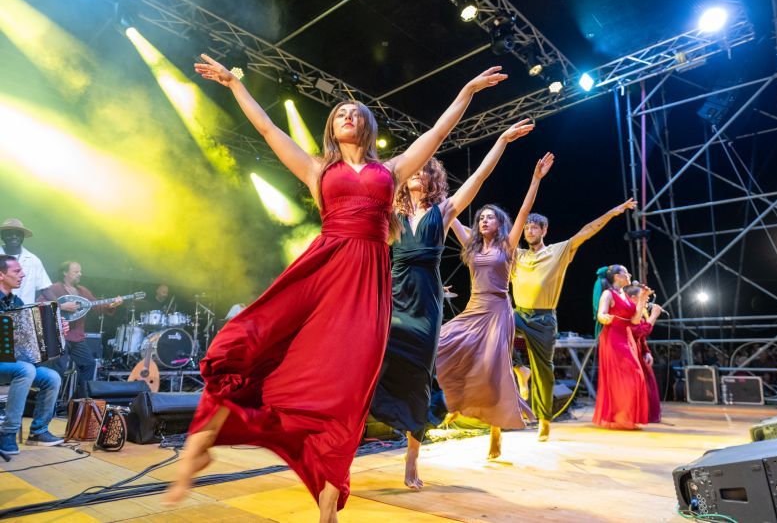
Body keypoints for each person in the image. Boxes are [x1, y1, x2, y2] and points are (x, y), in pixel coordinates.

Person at [166, 52, 506, 522]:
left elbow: (439, 134)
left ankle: (329, 501)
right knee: (248, 335)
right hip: (324, 267)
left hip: (367, 285)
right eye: (339, 113)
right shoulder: (317, 170)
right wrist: (235, 85)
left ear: (366, 126)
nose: (346, 115)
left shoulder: (393, 171)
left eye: (354, 112)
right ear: (332, 129)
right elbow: (269, 130)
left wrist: (466, 92)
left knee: (348, 390)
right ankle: (209, 434)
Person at [370, 119, 535, 490]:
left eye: (425, 170)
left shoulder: (443, 211)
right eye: (414, 169)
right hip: (394, 295)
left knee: (419, 376)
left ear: (433, 179)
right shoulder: (390, 215)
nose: (418, 174)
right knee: (374, 363)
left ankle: (412, 458)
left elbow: (478, 177)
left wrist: (503, 141)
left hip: (426, 303)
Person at [436, 152, 554, 459]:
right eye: (480, 217)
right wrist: (435, 188)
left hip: (499, 310)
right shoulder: (470, 244)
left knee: (493, 369)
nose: (483, 220)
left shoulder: (508, 244)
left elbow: (526, 208)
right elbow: (451, 212)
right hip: (474, 307)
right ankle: (451, 401)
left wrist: (536, 179)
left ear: (500, 222)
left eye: (489, 216)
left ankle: (495, 433)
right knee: (441, 343)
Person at [510, 199, 636, 441]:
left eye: (535, 227)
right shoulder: (517, 254)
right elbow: (484, 239)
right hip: (519, 313)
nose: (529, 231)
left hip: (544, 318)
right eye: (526, 227)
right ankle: (519, 368)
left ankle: (544, 419)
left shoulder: (558, 251)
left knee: (545, 371)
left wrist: (611, 211)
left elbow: (586, 231)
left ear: (544, 230)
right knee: (496, 327)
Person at [0, 255, 64, 455]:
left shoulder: (17, 301)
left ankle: (38, 432)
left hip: (12, 363)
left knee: (51, 377)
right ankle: (7, 434)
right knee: (26, 370)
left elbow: (29, 339)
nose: (23, 275)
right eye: (16, 271)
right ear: (1, 275)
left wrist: (59, 329)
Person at [38, 261, 122, 398]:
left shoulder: (82, 291)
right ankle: (49, 404)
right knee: (58, 369)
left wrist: (111, 305)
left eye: (80, 272)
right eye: (76, 272)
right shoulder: (53, 288)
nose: (80, 274)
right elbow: (40, 304)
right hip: (59, 336)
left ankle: (79, 402)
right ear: (65, 273)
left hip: (76, 336)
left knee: (89, 364)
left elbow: (96, 306)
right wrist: (61, 306)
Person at [592, 265, 649, 430]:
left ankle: (624, 414)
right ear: (617, 276)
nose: (629, 275)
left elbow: (635, 321)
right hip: (612, 337)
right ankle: (620, 415)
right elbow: (601, 313)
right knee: (625, 375)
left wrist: (643, 298)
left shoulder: (624, 294)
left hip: (626, 336)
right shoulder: (607, 293)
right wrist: (604, 318)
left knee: (636, 375)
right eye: (626, 272)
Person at [625, 281, 663, 423]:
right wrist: (654, 316)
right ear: (634, 298)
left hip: (639, 350)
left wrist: (647, 351)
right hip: (630, 350)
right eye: (644, 298)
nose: (647, 301)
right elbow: (639, 331)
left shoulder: (639, 311)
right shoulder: (629, 312)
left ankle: (644, 413)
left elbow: (641, 337)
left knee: (647, 383)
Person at [0, 218, 52, 305]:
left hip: (25, 313)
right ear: (2, 236)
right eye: (9, 233)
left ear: (22, 236)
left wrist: (59, 306)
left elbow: (45, 287)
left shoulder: (33, 260)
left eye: (18, 233)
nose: (14, 236)